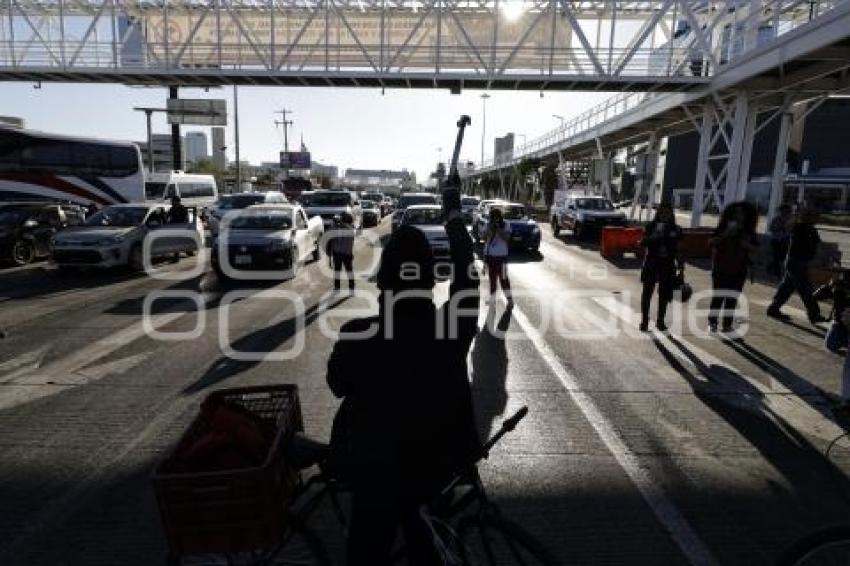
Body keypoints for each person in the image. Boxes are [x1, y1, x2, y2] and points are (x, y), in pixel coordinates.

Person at [326, 190, 480, 566]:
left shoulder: (358, 335)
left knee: (366, 553)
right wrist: (455, 217)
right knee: (429, 552)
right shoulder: (450, 328)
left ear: (384, 284)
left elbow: (337, 385)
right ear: (429, 280)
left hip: (374, 478)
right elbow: (468, 277)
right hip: (437, 473)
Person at [767, 208, 825, 324]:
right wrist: (797, 216)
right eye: (815, 216)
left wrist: (823, 258)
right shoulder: (799, 227)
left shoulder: (812, 230)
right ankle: (814, 314)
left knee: (787, 287)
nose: (817, 219)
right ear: (808, 217)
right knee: (805, 289)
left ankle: (773, 308)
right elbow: (787, 227)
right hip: (796, 262)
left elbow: (818, 245)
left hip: (799, 262)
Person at [708, 202, 758, 333]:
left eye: (741, 213)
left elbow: (756, 249)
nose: (738, 215)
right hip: (720, 267)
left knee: (732, 298)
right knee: (718, 296)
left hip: (739, 269)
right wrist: (725, 234)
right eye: (735, 212)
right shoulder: (722, 227)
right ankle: (712, 322)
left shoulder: (748, 232)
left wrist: (745, 244)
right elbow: (710, 242)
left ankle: (727, 324)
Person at [639, 202, 683, 333]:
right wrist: (654, 235)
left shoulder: (676, 229)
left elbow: (679, 250)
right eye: (662, 212)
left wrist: (681, 267)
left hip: (668, 264)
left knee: (664, 294)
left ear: (671, 214)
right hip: (651, 263)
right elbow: (642, 243)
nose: (664, 215)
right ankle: (645, 321)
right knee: (647, 293)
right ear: (658, 213)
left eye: (667, 213)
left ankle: (660, 321)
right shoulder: (650, 226)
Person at [814, 269, 850, 353]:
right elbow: (816, 296)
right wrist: (829, 286)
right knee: (831, 345)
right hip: (841, 324)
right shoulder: (840, 289)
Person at [483, 207, 513, 305]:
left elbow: (507, 238)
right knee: (492, 280)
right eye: (493, 217)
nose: (495, 219)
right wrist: (490, 230)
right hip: (491, 257)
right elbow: (484, 238)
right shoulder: (488, 224)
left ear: (500, 217)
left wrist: (499, 229)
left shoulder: (506, 224)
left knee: (504, 279)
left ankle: (510, 300)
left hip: (502, 257)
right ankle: (492, 299)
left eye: (497, 217)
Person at [330, 212, 356, 292]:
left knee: (338, 271)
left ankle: (337, 287)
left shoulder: (342, 229)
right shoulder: (351, 228)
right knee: (349, 271)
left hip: (339, 253)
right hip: (347, 253)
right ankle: (351, 287)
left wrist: (336, 225)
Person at [767, 205, 793, 277]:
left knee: (781, 257)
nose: (786, 213)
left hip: (786, 240)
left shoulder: (791, 220)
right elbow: (772, 228)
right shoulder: (776, 219)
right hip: (776, 240)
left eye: (787, 211)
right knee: (777, 256)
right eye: (783, 211)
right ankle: (776, 272)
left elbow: (792, 230)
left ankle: (771, 267)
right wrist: (781, 227)